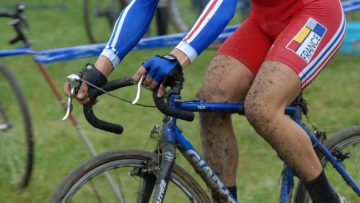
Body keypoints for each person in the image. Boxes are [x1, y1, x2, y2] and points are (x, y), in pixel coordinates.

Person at [65, 0, 348, 202]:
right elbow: (142, 4)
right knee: (211, 100)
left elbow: (223, 4)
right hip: (265, 21)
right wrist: (99, 71)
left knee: (262, 108)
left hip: (314, 13)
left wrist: (176, 58)